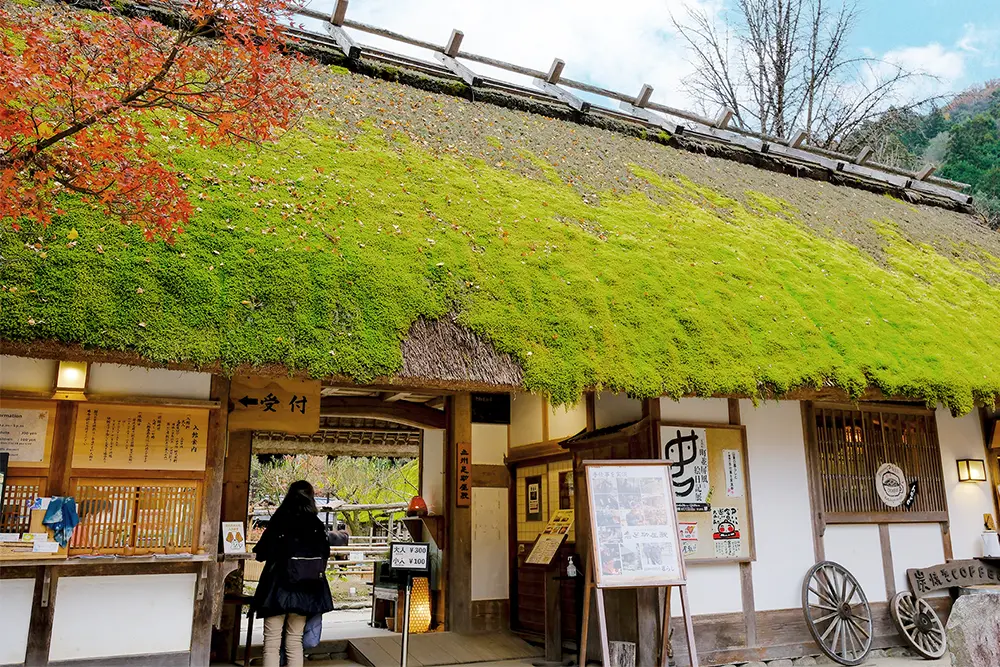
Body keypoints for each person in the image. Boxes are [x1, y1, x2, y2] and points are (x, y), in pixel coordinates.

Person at [252, 480, 337, 667]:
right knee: (294, 641)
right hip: (306, 590)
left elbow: (262, 552)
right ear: (311, 497)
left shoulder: (280, 518)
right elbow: (325, 554)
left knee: (272, 643)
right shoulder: (315, 523)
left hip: (277, 588)